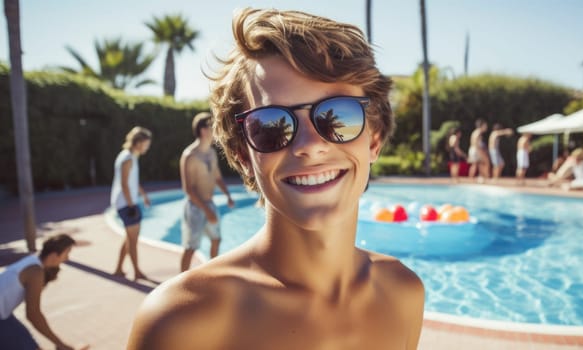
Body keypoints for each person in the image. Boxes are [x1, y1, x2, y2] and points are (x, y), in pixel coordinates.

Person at [127, 8, 425, 350]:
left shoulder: (403, 294)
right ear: (243, 154)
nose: (311, 146)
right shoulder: (182, 322)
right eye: (271, 125)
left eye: (338, 116)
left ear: (374, 139)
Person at [0, 234, 86, 350]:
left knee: (29, 344)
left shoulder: (33, 261)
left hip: (4, 315)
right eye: (67, 253)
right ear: (53, 256)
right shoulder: (36, 272)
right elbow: (33, 314)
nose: (67, 258)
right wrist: (59, 343)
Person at [179, 112, 235, 272]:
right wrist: (206, 210)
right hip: (195, 208)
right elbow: (188, 189)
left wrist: (228, 195)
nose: (216, 130)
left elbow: (217, 177)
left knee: (216, 239)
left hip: (210, 204)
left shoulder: (211, 153)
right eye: (213, 126)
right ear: (203, 130)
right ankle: (181, 282)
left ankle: (212, 275)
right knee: (190, 248)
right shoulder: (189, 156)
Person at [111, 126, 152, 280]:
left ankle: (119, 269)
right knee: (133, 240)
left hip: (127, 202)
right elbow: (124, 184)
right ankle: (137, 272)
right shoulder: (127, 158)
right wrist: (131, 206)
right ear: (138, 142)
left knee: (129, 238)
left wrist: (143, 195)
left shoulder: (131, 156)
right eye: (146, 144)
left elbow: (132, 182)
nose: (147, 147)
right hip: (126, 204)